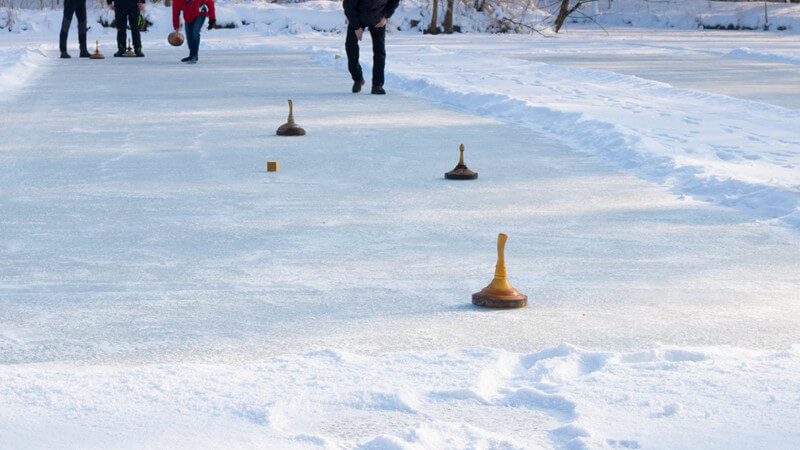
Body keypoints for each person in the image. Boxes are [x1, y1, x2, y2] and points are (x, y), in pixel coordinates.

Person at [342, 0, 399, 95]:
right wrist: (356, 27)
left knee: (379, 51)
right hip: (357, 18)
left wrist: (386, 16)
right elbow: (348, 6)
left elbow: (394, 2)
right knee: (350, 47)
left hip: (378, 19)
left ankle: (377, 85)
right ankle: (358, 78)